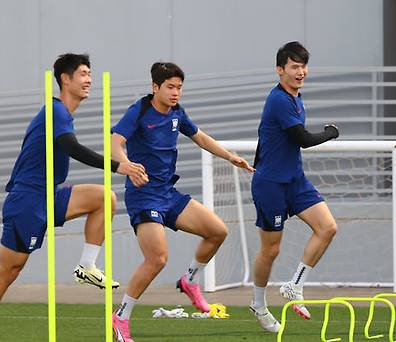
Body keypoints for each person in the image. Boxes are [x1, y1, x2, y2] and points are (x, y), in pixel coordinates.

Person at [0, 53, 147, 342]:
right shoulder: (55, 111)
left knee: (104, 198)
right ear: (65, 79)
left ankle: (86, 265)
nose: (89, 80)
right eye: (83, 74)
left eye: (90, 74)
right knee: (8, 271)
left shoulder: (64, 114)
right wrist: (117, 165)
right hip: (28, 200)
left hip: (51, 194)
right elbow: (71, 147)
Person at [110, 62, 254, 341]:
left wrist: (229, 156)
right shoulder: (139, 111)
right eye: (170, 87)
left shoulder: (177, 112)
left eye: (179, 87)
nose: (176, 93)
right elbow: (115, 142)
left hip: (168, 194)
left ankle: (189, 280)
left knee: (217, 231)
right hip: (144, 196)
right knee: (157, 259)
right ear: (155, 87)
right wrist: (126, 164)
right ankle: (121, 317)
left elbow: (198, 136)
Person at [249, 41, 340, 333]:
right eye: (294, 66)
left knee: (327, 227)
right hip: (272, 185)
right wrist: (331, 132)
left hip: (294, 180)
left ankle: (294, 284)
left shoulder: (295, 98)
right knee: (271, 250)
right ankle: (258, 305)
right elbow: (302, 138)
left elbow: (271, 139)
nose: (300, 72)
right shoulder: (278, 100)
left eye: (303, 66)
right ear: (280, 70)